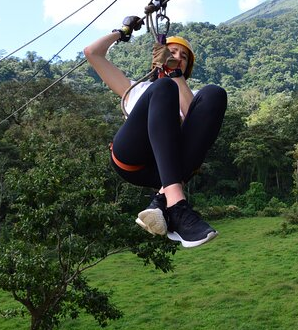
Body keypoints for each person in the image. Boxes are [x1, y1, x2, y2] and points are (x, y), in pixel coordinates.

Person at [83, 20, 227, 248]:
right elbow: (92, 53)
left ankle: (162, 201)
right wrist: (123, 32)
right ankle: (177, 206)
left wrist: (174, 73)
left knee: (215, 93)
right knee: (162, 88)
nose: (177, 56)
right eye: (171, 51)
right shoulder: (134, 88)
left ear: (186, 67)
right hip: (132, 159)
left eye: (183, 56)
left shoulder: (192, 95)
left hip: (166, 169)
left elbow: (197, 125)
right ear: (158, 55)